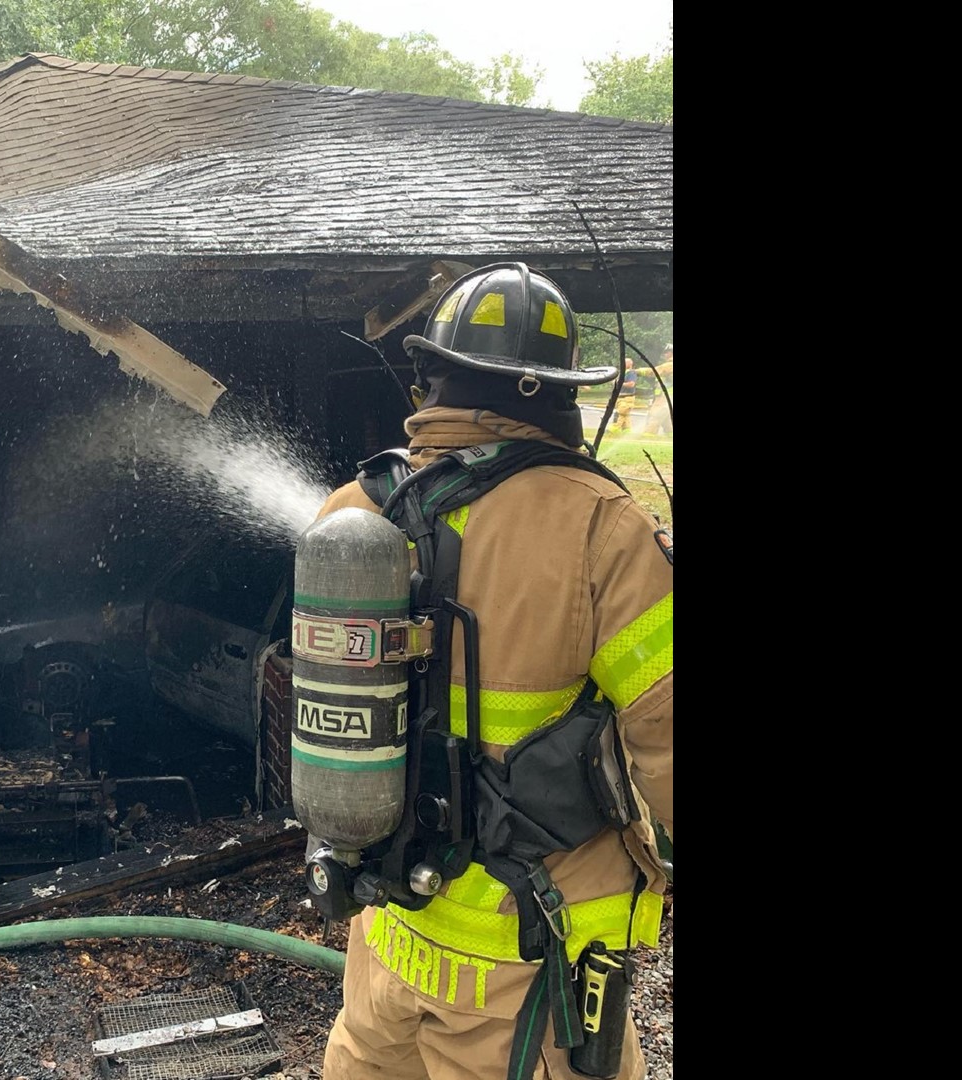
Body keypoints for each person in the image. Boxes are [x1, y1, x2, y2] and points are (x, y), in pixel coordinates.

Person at [312, 263, 673, 1080]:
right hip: (528, 963)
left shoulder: (357, 510)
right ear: (554, 393)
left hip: (390, 936)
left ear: (432, 377)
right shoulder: (602, 530)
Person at [642, 344, 673, 436]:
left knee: (656, 415)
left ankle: (649, 434)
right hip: (665, 397)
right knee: (666, 417)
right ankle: (670, 433)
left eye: (666, 352)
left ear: (671, 352)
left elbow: (654, 371)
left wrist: (638, 371)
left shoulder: (670, 365)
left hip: (666, 397)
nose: (664, 355)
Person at [611, 358, 638, 432]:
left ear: (630, 364)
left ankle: (615, 428)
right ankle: (626, 429)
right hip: (621, 396)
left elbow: (631, 384)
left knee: (620, 412)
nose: (622, 364)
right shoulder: (623, 373)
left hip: (627, 397)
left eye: (624, 363)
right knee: (625, 414)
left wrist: (619, 384)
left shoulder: (631, 373)